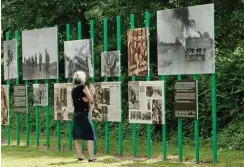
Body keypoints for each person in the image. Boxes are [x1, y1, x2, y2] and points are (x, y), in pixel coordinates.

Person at [71, 70, 96, 162]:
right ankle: (91, 157)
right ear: (82, 78)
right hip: (84, 113)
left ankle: (80, 156)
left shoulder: (73, 89)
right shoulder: (83, 86)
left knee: (77, 136)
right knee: (89, 135)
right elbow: (91, 99)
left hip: (76, 114)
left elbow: (76, 102)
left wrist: (84, 99)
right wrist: (86, 99)